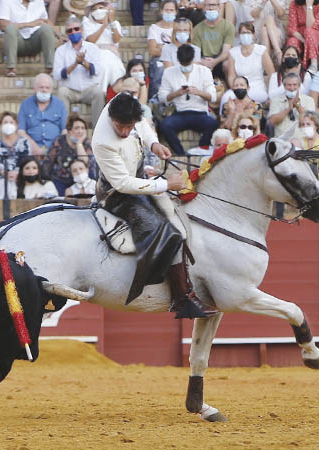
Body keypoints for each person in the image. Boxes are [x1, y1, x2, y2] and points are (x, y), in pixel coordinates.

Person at [92, 92, 217, 318]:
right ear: (111, 119)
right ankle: (182, 298)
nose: (124, 132)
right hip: (115, 195)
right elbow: (122, 183)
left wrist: (154, 144)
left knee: (178, 217)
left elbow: (143, 126)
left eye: (129, 126)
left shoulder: (125, 102)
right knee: (169, 233)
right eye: (120, 127)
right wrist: (166, 183)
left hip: (138, 178)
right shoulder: (102, 142)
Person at [158, 44, 218, 156]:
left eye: (187, 63)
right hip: (180, 113)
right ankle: (181, 154)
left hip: (200, 113)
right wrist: (177, 93)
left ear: (193, 59)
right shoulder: (169, 72)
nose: (185, 65)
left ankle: (200, 150)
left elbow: (213, 97)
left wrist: (198, 92)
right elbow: (162, 96)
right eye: (183, 63)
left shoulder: (204, 71)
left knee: (213, 123)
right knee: (165, 125)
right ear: (178, 60)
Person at [53, 16, 105, 127]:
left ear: (81, 30)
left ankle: (98, 130)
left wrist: (83, 62)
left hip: (88, 89)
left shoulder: (92, 48)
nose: (73, 32)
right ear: (66, 33)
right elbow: (57, 75)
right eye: (70, 30)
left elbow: (98, 70)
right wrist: (75, 64)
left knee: (99, 94)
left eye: (76, 29)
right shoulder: (60, 50)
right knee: (62, 92)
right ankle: (64, 130)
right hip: (70, 89)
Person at [0, 0, 57, 78]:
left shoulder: (38, 1)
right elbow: (3, 26)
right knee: (10, 28)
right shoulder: (6, 1)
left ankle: (50, 68)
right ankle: (11, 68)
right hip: (17, 42)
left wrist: (59, 34)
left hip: (35, 41)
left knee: (46, 28)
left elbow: (45, 20)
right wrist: (29, 24)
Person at [17, 72, 67, 154]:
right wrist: (33, 147)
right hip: (31, 148)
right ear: (35, 88)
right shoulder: (25, 104)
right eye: (41, 87)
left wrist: (56, 147)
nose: (44, 90)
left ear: (51, 89)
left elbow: (64, 130)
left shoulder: (60, 104)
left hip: (55, 149)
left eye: (47, 88)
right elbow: (21, 131)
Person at [225, 22, 274, 105]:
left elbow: (271, 74)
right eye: (243, 33)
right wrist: (235, 89)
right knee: (226, 98)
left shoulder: (261, 50)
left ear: (253, 35)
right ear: (239, 36)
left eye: (248, 33)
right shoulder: (233, 52)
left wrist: (271, 93)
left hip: (257, 87)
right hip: (239, 87)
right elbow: (231, 76)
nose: (245, 35)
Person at [45, 114, 93, 194]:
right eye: (77, 128)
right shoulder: (60, 140)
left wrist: (79, 143)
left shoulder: (87, 142)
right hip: (61, 179)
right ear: (69, 130)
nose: (80, 131)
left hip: (81, 179)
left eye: (83, 128)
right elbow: (49, 160)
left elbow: (86, 163)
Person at [82, 0, 125, 90]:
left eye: (101, 8)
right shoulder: (88, 24)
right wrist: (104, 25)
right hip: (95, 55)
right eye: (94, 9)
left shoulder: (115, 24)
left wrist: (111, 21)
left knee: (115, 69)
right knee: (103, 67)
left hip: (112, 55)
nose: (98, 11)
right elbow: (91, 40)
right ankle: (102, 92)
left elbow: (116, 39)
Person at [192, 0, 235, 80]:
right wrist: (203, 62)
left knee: (228, 64)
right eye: (208, 5)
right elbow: (196, 52)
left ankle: (230, 89)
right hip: (204, 60)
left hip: (220, 60)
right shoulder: (197, 29)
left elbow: (226, 52)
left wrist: (215, 61)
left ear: (219, 7)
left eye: (213, 5)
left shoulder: (228, 26)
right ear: (204, 8)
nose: (211, 8)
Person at [0, 111, 30, 194]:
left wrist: (16, 173)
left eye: (11, 122)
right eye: (5, 122)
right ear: (1, 125)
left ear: (16, 125)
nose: (8, 125)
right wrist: (6, 173)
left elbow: (26, 161)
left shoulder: (24, 142)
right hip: (3, 180)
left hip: (21, 178)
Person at [286, 0, 319, 73]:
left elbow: (312, 26)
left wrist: (309, 6)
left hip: (316, 34)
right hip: (300, 35)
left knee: (309, 31)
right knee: (292, 41)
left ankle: (314, 64)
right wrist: (304, 40)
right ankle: (291, 67)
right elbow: (292, 29)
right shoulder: (294, 4)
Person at [268, 73, 315, 138]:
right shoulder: (276, 100)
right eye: (289, 85)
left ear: (299, 86)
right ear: (284, 86)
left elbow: (312, 120)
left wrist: (298, 106)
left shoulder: (309, 100)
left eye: (294, 85)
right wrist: (288, 109)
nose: (292, 88)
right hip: (281, 141)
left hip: (302, 140)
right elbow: (272, 121)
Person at [148, 1, 179, 98]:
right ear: (161, 11)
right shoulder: (154, 28)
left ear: (176, 12)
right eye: (166, 10)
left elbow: (182, 48)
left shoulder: (180, 28)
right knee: (160, 67)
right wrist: (172, 48)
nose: (169, 12)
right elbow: (153, 51)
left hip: (177, 59)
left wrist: (162, 47)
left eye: (171, 10)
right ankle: (155, 98)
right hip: (159, 60)